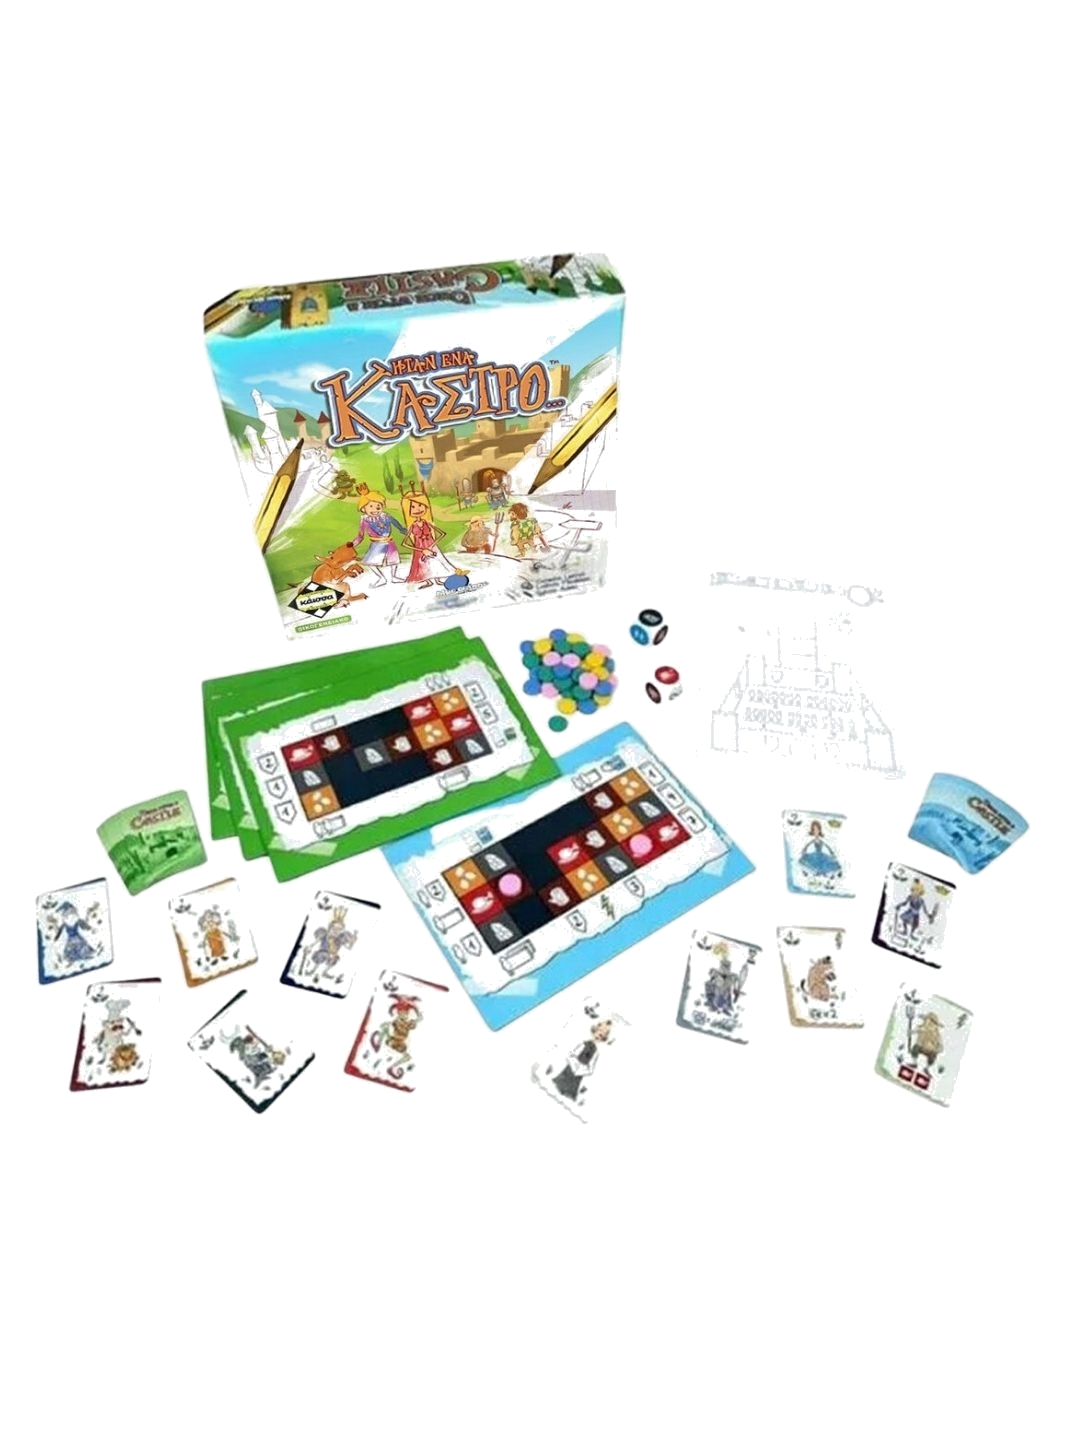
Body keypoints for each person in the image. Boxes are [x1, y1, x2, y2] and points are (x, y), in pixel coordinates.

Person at [351, 488, 407, 586]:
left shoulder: (386, 516)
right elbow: (360, 535)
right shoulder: (365, 520)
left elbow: (396, 523)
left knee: (393, 561)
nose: (375, 509)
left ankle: (394, 576)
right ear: (363, 509)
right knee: (371, 562)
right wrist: (352, 544)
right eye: (371, 506)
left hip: (389, 542)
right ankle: (381, 578)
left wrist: (403, 530)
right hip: (376, 545)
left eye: (378, 506)